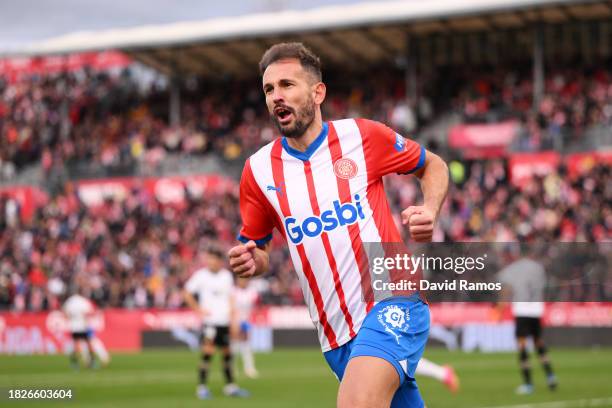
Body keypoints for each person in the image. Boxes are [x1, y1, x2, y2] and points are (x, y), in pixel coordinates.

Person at [228, 42, 449, 408]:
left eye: (287, 85)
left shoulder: (361, 136)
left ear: (318, 93)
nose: (276, 97)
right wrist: (254, 262)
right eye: (269, 89)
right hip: (335, 334)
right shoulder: (257, 171)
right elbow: (259, 247)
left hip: (392, 298)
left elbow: (433, 165)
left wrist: (429, 208)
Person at [183, 246, 249, 399]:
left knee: (227, 354)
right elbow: (186, 293)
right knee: (208, 353)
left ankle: (231, 387)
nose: (211, 261)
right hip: (210, 322)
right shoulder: (201, 276)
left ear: (220, 261)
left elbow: (231, 298)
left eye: (214, 259)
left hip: (224, 322)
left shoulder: (226, 276)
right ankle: (202, 388)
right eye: (209, 258)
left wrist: (234, 320)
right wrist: (198, 309)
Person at [497, 248, 558, 395]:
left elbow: (506, 289)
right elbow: (547, 286)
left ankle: (528, 384)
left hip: (522, 310)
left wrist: (500, 306)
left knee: (523, 345)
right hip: (537, 309)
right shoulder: (538, 268)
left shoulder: (513, 269)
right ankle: (550, 376)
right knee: (538, 342)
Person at [62, 289, 98, 368]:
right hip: (83, 325)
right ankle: (92, 362)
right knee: (89, 343)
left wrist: (71, 318)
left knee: (76, 344)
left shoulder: (70, 301)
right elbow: (88, 313)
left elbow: (65, 313)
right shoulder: (83, 301)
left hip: (74, 326)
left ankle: (74, 363)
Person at [233, 277, 260, 378]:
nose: (243, 282)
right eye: (240, 279)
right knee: (234, 346)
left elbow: (256, 306)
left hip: (246, 321)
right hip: (235, 321)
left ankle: (249, 368)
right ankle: (232, 368)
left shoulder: (252, 291)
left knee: (247, 345)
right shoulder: (233, 291)